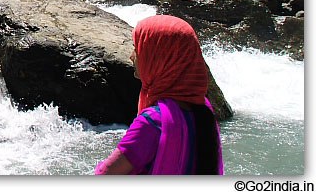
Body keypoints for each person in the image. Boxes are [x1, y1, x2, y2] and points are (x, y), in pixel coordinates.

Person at [95, 15, 223, 175]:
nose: (131, 56)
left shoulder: (151, 122)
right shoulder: (204, 113)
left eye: (137, 48)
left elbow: (106, 174)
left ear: (159, 58)